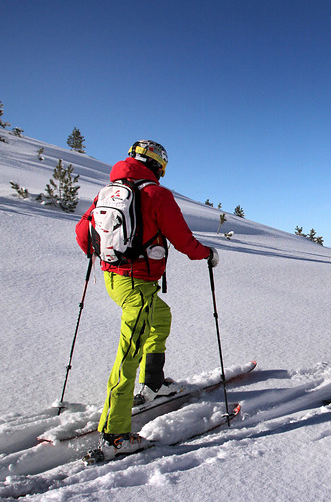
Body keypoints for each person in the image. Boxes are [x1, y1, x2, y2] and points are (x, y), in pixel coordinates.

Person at [75, 140, 218, 458]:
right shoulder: (156, 194)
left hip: (115, 280)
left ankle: (153, 382)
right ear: (158, 165)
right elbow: (182, 239)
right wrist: (207, 254)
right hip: (137, 284)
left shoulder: (107, 192)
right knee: (127, 354)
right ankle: (115, 436)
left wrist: (104, 258)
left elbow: (82, 233)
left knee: (161, 315)